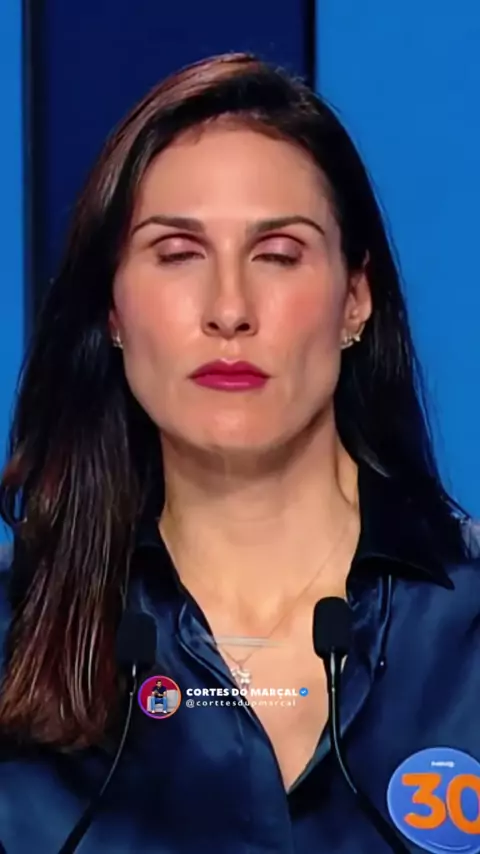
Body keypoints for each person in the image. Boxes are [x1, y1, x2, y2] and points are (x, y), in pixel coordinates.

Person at [0, 51, 478, 854]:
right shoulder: (16, 633)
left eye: (279, 255)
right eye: (177, 254)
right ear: (112, 310)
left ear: (355, 300)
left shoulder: (467, 628)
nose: (229, 309)